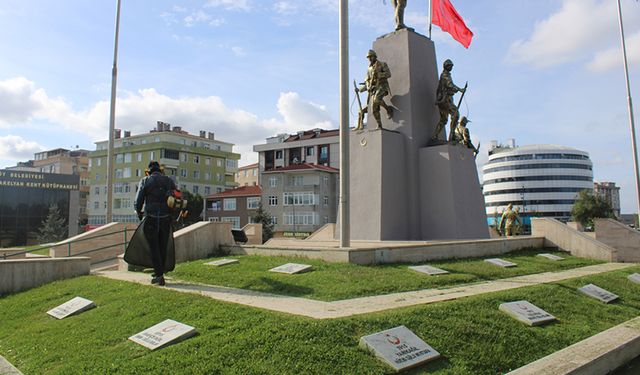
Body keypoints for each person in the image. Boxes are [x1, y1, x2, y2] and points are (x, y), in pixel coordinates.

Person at [134, 161, 177, 286]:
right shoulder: (168, 181)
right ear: (160, 170)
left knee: (153, 247)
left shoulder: (145, 181)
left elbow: (139, 200)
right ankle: (160, 271)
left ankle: (159, 276)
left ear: (149, 171)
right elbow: (174, 198)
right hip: (166, 218)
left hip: (151, 217)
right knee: (162, 246)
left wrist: (138, 212)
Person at [356, 49, 393, 130]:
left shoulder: (382, 64)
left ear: (374, 56)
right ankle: (379, 125)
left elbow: (388, 74)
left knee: (376, 99)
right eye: (368, 57)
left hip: (382, 86)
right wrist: (360, 90)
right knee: (373, 109)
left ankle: (388, 109)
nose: (369, 59)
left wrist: (378, 75)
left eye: (371, 57)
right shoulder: (369, 69)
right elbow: (367, 81)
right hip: (374, 89)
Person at [433, 59, 466, 141]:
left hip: (446, 100)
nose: (452, 67)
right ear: (447, 66)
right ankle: (452, 135)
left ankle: (435, 136)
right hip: (445, 100)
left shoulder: (447, 75)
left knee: (444, 120)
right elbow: (449, 85)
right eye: (450, 66)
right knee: (456, 114)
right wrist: (460, 89)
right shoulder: (445, 75)